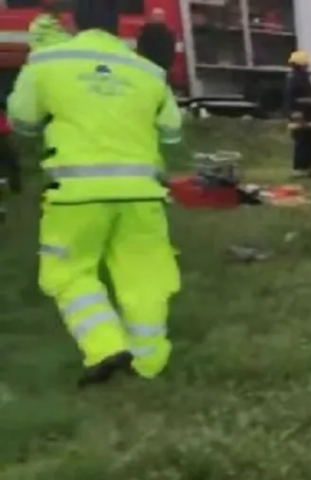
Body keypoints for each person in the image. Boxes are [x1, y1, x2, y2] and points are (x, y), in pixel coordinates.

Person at [8, 0, 183, 387]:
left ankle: (105, 346)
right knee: (145, 276)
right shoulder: (148, 71)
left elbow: (22, 120)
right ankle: (149, 363)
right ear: (118, 26)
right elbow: (172, 131)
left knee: (70, 271)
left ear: (73, 22)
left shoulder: (48, 61)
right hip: (141, 194)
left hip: (76, 194)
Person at [284, 50, 311, 177]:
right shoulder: (296, 79)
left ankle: (309, 167)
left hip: (308, 115)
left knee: (309, 141)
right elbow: (294, 98)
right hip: (302, 115)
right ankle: (300, 168)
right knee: (303, 142)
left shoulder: (300, 78)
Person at [136, 8, 175, 74]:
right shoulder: (167, 33)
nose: (159, 18)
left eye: (160, 16)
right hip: (153, 65)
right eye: (157, 16)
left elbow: (170, 50)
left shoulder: (144, 31)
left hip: (155, 65)